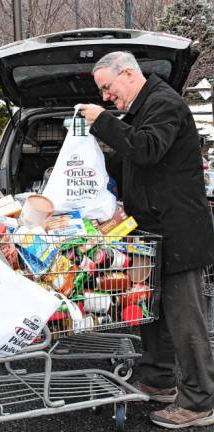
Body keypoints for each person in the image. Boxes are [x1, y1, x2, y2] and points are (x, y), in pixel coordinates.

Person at [79, 51, 214, 429]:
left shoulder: (164, 104)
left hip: (179, 233)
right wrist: (81, 168)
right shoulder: (141, 111)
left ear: (128, 73)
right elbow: (129, 161)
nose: (106, 97)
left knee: (186, 321)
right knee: (151, 312)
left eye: (107, 87)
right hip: (150, 230)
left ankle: (199, 402)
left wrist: (103, 121)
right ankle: (158, 380)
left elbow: (146, 149)